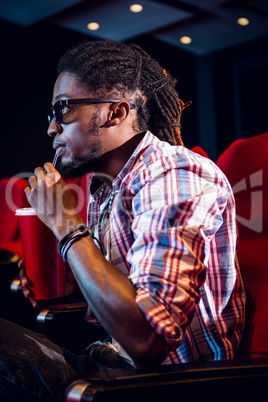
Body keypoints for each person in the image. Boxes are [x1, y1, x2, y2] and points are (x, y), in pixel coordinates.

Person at [0, 40, 245, 401]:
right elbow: (112, 304)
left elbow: (147, 340)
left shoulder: (174, 174)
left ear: (116, 113)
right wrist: (68, 278)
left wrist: (67, 227)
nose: (52, 128)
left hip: (175, 384)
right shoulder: (108, 190)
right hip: (110, 364)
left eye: (62, 109)